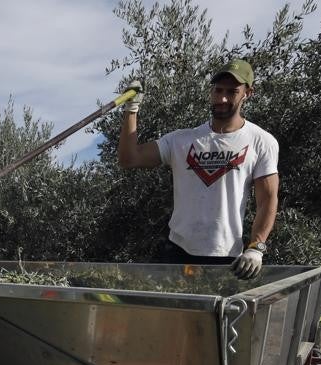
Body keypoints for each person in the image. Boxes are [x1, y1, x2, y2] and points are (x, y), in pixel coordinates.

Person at [117, 59, 279, 280]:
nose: (222, 98)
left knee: (217, 316)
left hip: (226, 258)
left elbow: (267, 200)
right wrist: (131, 110)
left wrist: (256, 247)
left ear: (247, 93)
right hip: (177, 253)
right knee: (173, 315)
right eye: (218, 90)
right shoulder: (181, 140)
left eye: (231, 92)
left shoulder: (261, 141)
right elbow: (129, 159)